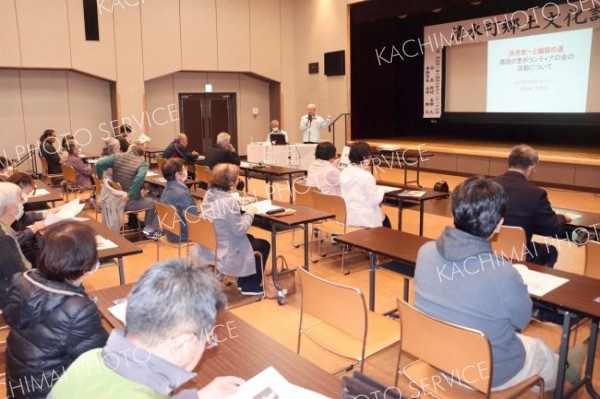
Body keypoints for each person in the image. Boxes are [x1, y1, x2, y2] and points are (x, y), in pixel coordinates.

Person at [414, 176, 586, 391]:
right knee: (539, 349)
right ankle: (565, 370)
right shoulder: (502, 272)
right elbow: (522, 321)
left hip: (437, 359)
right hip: (485, 373)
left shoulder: (425, 252)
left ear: (454, 212)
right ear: (499, 224)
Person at [48, 259, 244, 399]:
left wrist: (200, 396)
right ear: (182, 342)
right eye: (208, 340)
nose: (207, 346)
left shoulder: (89, 359)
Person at [4, 221, 108, 399]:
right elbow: (102, 359)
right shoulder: (77, 309)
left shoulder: (23, 282)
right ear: (86, 264)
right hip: (50, 391)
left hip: (20, 386)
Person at [197, 163, 269, 295]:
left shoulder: (210, 193)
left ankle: (243, 278)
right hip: (224, 248)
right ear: (231, 183)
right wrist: (250, 212)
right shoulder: (229, 202)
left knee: (250, 239)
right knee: (263, 245)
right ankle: (249, 285)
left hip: (209, 243)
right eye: (237, 178)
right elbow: (240, 230)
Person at [493, 144, 569, 268]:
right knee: (550, 251)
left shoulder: (487, 185)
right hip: (519, 254)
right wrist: (562, 218)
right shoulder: (536, 193)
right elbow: (554, 230)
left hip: (488, 250)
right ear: (531, 168)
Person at [96, 144, 160, 240]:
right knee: (156, 202)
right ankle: (149, 229)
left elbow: (99, 164)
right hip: (128, 202)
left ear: (130, 150)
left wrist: (100, 178)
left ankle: (139, 224)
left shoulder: (117, 156)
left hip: (116, 200)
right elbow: (139, 179)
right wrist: (130, 194)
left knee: (147, 195)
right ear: (141, 155)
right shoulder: (143, 163)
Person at [340, 142, 391, 228]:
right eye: (369, 156)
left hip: (347, 216)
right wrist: (381, 190)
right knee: (385, 220)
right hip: (364, 218)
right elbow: (374, 200)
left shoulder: (344, 172)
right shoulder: (366, 176)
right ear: (364, 157)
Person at [7, 173, 47, 266]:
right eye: (26, 193)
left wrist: (45, 214)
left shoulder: (14, 204)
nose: (26, 198)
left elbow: (23, 218)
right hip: (18, 254)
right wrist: (33, 229)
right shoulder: (7, 209)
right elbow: (10, 242)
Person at [0, 183, 29, 307]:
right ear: (10, 207)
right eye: (19, 200)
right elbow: (19, 278)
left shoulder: (4, 228)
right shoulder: (4, 240)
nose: (21, 203)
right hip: (11, 299)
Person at [159, 158, 198, 242]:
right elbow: (194, 220)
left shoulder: (166, 189)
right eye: (185, 169)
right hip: (184, 234)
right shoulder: (182, 195)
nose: (186, 171)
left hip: (170, 232)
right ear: (178, 175)